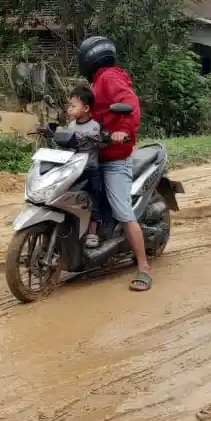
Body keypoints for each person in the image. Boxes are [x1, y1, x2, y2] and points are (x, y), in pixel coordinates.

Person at [79, 36, 149, 292]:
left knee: (123, 211)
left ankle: (143, 267)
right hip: (95, 156)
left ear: (89, 58)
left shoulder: (109, 77)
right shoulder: (96, 82)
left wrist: (124, 131)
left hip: (115, 158)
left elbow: (131, 104)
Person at [62, 85, 103, 248]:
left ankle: (93, 232)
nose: (70, 109)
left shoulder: (94, 126)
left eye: (73, 106)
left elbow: (96, 140)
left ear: (86, 108)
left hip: (90, 170)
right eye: (69, 106)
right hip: (74, 169)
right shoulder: (71, 126)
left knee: (92, 200)